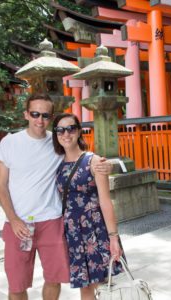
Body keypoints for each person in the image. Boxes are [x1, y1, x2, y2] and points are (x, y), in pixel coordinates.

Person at [0, 94, 111, 300]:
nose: (40, 120)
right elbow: (1, 185)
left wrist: (103, 164)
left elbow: (79, 156)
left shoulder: (57, 140)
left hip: (51, 221)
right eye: (35, 114)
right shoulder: (10, 142)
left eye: (45, 115)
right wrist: (13, 218)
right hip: (18, 223)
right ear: (26, 114)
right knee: (17, 285)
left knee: (54, 279)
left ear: (51, 117)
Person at [52, 113, 124, 300]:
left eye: (70, 129)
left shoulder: (93, 162)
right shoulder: (57, 163)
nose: (65, 134)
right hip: (72, 232)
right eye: (60, 130)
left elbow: (105, 201)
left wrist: (113, 237)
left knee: (89, 287)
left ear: (79, 131)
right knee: (88, 285)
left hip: (93, 229)